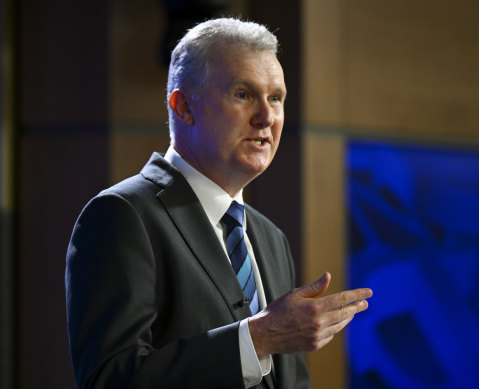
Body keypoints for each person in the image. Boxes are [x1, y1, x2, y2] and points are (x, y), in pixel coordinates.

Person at [65, 17, 372, 388]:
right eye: (243, 94)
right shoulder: (122, 215)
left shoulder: (270, 237)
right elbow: (108, 380)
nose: (267, 117)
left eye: (276, 97)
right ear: (183, 107)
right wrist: (259, 338)